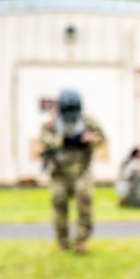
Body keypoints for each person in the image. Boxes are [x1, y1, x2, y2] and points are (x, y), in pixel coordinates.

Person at [39, 89, 106, 254]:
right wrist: (64, 140)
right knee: (59, 204)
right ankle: (62, 242)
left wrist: (88, 140)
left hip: (81, 171)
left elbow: (101, 138)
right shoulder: (52, 122)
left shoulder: (87, 121)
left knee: (84, 203)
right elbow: (45, 138)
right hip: (59, 172)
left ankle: (80, 241)